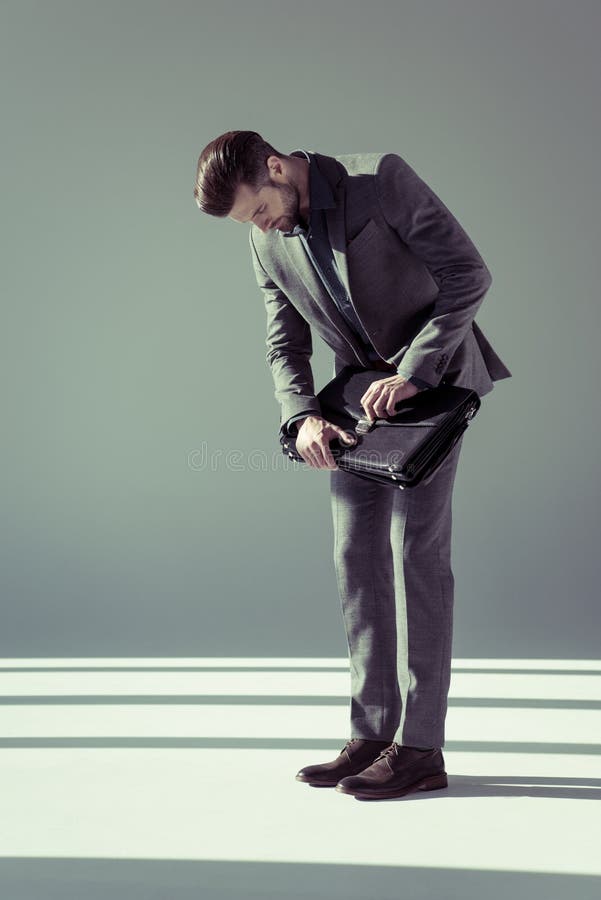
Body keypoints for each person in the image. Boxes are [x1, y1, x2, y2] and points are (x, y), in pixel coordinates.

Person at [193, 130, 512, 801]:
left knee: (414, 556)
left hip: (436, 388)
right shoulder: (263, 238)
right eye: (250, 223)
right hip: (350, 405)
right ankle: (372, 735)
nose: (263, 227)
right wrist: (300, 416)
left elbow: (467, 274)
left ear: (276, 168)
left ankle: (421, 748)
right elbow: (283, 341)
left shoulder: (381, 179)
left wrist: (414, 370)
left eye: (259, 210)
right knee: (353, 557)